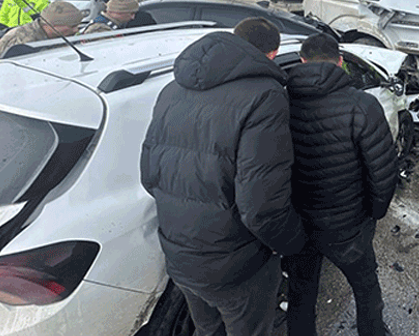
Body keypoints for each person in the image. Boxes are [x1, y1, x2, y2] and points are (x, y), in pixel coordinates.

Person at [140, 18, 306, 336]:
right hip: (236, 265)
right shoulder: (265, 95)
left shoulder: (172, 89)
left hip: (178, 253)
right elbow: (261, 205)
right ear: (272, 54)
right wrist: (292, 241)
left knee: (207, 330)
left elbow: (150, 175)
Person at [283, 33, 397, 336]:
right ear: (341, 62)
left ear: (302, 61)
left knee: (301, 289)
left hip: (298, 221)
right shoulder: (362, 105)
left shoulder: (280, 101)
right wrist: (373, 213)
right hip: (347, 224)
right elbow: (383, 171)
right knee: (365, 286)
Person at [0, 0, 83, 59]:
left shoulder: (59, 36)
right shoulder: (24, 41)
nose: (76, 30)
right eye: (72, 26)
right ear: (52, 25)